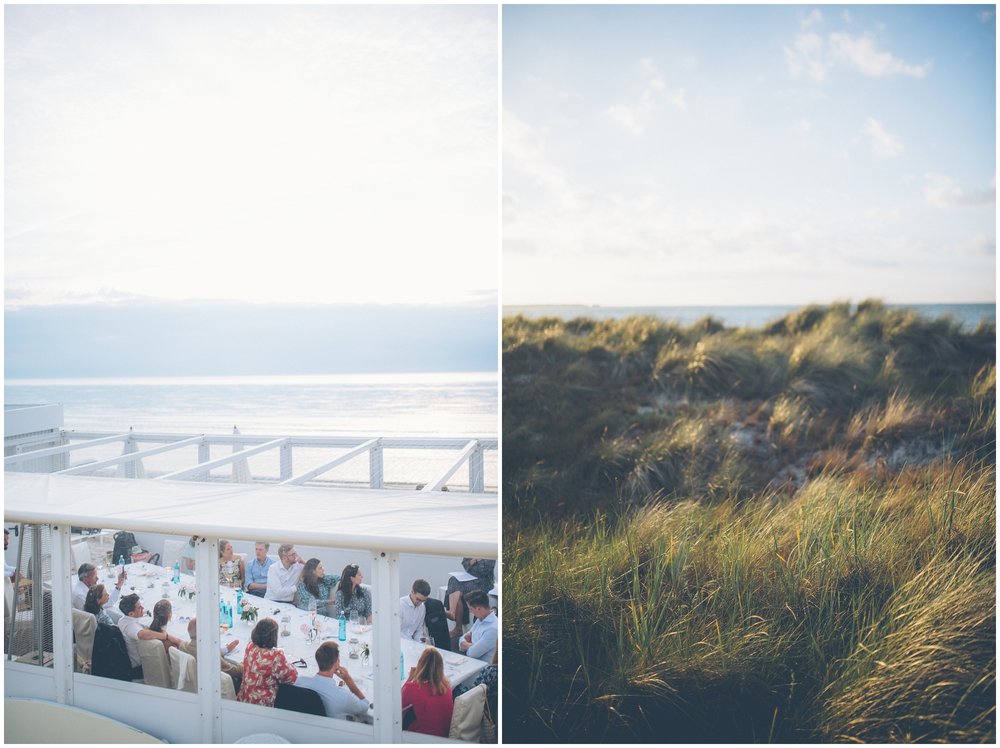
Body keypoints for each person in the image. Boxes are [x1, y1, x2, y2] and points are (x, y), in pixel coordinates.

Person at [296, 641, 370, 720]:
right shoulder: (344, 697)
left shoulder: (300, 682)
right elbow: (365, 706)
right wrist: (348, 680)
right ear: (337, 663)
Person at [117, 593, 181, 679]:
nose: (143, 608)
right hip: (140, 667)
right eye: (139, 607)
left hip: (138, 658)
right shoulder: (130, 626)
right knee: (171, 646)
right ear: (131, 613)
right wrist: (164, 636)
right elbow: (141, 634)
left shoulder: (124, 619)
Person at [237, 617, 297, 707]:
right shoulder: (275, 656)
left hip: (245, 698)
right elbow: (291, 678)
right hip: (264, 705)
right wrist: (288, 664)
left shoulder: (250, 646)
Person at [181, 617, 243, 694]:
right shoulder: (210, 656)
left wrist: (226, 649)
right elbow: (235, 671)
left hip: (195, 685)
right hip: (215, 691)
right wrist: (245, 662)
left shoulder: (183, 646)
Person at [401, 648, 454, 737]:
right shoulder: (446, 685)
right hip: (445, 736)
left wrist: (410, 678)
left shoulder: (413, 688)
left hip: (424, 738)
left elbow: (397, 702)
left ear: (420, 665)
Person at [446, 558, 495, 639]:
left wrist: (474, 563)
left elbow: (484, 571)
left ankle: (457, 627)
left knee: (458, 589)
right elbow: (465, 563)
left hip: (484, 582)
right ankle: (453, 614)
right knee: (453, 580)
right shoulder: (473, 548)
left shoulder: (489, 551)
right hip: (470, 577)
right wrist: (472, 561)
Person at [458, 590, 497, 663]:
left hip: (484, 668)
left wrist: (465, 644)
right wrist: (469, 644)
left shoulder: (493, 629)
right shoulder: (479, 619)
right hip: (473, 662)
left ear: (478, 608)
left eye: (470, 609)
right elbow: (462, 639)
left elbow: (472, 653)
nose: (470, 611)